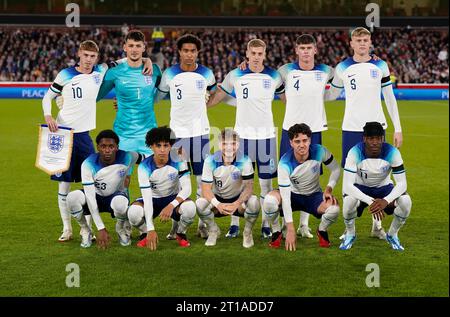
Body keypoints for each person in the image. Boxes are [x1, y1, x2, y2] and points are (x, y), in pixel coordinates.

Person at [42, 40, 125, 242]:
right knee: (64, 185)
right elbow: (47, 97)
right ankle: (66, 229)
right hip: (63, 134)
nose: (88, 60)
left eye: (92, 56)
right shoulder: (65, 74)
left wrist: (147, 59)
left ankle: (85, 228)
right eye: (86, 55)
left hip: (85, 137)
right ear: (79, 54)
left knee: (89, 184)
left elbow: (121, 61)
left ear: (96, 57)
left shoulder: (99, 71)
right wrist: (48, 116)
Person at [327, 27, 403, 239]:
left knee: (379, 177)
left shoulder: (380, 65)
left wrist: (398, 127)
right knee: (350, 176)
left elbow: (389, 98)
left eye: (366, 40)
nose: (362, 43)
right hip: (351, 128)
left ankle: (376, 226)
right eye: (358, 40)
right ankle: (348, 227)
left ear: (370, 42)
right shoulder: (342, 67)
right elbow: (331, 94)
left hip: (378, 128)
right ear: (351, 43)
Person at [207, 38, 285, 240]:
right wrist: (201, 104)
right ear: (247, 54)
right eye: (254, 53)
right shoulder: (235, 75)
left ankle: (266, 225)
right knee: (238, 183)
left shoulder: (274, 76)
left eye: (261, 54)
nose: (257, 57)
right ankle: (234, 224)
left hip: (267, 137)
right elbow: (218, 97)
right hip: (242, 138)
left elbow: (287, 100)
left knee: (266, 184)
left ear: (265, 55)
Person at [157, 34, 216, 240]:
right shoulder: (169, 74)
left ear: (197, 52)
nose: (189, 54)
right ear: (180, 52)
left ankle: (202, 224)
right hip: (177, 136)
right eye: (186, 50)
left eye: (193, 51)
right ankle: (176, 226)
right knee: (177, 182)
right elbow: (158, 95)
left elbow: (214, 92)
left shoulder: (207, 73)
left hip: (200, 134)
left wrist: (205, 103)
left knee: (202, 182)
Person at [277, 33, 335, 239]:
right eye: (302, 48)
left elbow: (346, 76)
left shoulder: (327, 71)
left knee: (310, 179)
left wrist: (369, 58)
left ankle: (303, 225)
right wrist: (244, 64)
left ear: (315, 50)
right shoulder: (285, 70)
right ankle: (286, 223)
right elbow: (268, 79)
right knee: (288, 176)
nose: (306, 52)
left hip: (315, 130)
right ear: (296, 50)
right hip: (290, 131)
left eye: (309, 48)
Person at [263, 123, 341, 251]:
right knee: (269, 201)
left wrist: (329, 189)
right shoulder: (284, 163)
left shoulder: (320, 151)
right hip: (292, 196)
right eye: (297, 141)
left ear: (310, 140)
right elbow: (286, 198)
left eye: (305, 140)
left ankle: (322, 230)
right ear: (291, 143)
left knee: (334, 208)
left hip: (313, 196)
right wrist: (290, 228)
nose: (302, 145)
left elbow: (336, 169)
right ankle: (277, 231)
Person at [339, 122, 411, 251]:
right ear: (364, 139)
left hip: (384, 189)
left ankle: (392, 234)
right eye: (371, 138)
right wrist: (371, 201)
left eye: (378, 138)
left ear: (382, 139)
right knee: (349, 201)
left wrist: (386, 200)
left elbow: (402, 184)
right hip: (360, 188)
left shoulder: (392, 152)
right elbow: (347, 186)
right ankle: (350, 233)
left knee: (406, 201)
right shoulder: (354, 152)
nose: (375, 142)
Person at [65, 130, 141, 248]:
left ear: (117, 147)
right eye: (103, 146)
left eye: (111, 146)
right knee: (72, 198)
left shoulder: (128, 156)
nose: (107, 150)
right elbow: (90, 197)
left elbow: (147, 158)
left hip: (115, 196)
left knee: (121, 204)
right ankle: (86, 230)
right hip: (95, 196)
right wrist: (101, 228)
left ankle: (120, 229)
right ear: (98, 147)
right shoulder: (88, 164)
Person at [127, 127, 197, 251]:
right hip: (152, 200)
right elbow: (147, 199)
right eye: (158, 145)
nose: (162, 150)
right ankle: (144, 234)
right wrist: (150, 229)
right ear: (151, 147)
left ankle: (180, 233)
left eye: (166, 145)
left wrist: (171, 205)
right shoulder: (144, 167)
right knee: (133, 213)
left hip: (172, 198)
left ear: (171, 146)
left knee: (190, 208)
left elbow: (187, 189)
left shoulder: (179, 158)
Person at [97, 29, 161, 157]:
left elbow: (167, 91)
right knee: (123, 176)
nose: (134, 49)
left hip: (149, 134)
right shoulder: (114, 72)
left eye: (138, 46)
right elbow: (96, 96)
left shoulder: (155, 70)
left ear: (144, 47)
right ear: (125, 47)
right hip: (123, 135)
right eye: (131, 45)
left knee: (153, 176)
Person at [196, 129, 260, 248]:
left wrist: (237, 203)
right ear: (219, 144)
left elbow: (249, 188)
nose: (229, 147)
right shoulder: (210, 160)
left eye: (233, 143)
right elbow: (205, 189)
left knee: (254, 202)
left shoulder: (245, 160)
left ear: (239, 144)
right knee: (200, 203)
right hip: (218, 201)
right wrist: (218, 204)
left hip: (238, 202)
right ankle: (213, 230)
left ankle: (247, 232)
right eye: (225, 144)